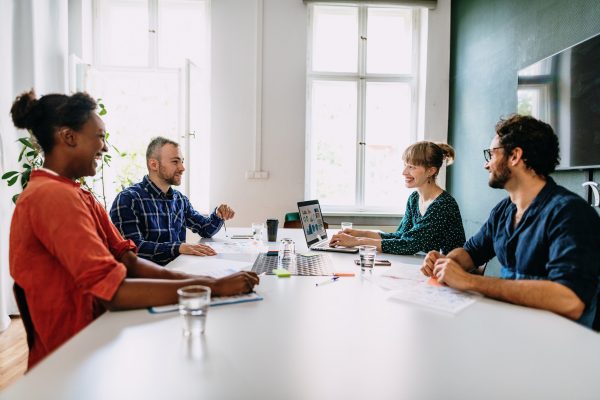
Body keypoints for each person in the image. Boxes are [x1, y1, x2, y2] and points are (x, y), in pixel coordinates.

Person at [9, 90, 259, 368]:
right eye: (99, 136)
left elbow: (128, 260)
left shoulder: (79, 194)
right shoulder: (52, 196)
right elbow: (113, 292)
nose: (104, 147)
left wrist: (201, 282)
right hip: (72, 357)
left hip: (95, 338)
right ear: (69, 137)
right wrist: (211, 288)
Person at [421, 114, 600, 327]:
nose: (486, 165)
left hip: (562, 342)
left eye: (491, 154)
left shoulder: (569, 213)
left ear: (515, 156)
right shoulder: (504, 211)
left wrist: (470, 281)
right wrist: (445, 262)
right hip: (517, 327)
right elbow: (471, 252)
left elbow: (570, 300)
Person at [110, 137, 234, 265]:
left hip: (178, 270)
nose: (182, 168)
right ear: (154, 165)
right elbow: (133, 250)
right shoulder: (128, 199)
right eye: (175, 162)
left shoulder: (179, 199)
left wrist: (218, 215)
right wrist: (178, 248)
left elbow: (205, 229)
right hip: (149, 278)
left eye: (182, 161)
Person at [329, 141, 466, 255]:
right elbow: (401, 236)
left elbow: (408, 244)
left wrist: (357, 242)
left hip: (448, 274)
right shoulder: (414, 199)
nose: (404, 172)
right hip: (429, 267)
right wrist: (358, 233)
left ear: (431, 170)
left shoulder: (443, 205)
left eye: (411, 167)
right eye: (405, 165)